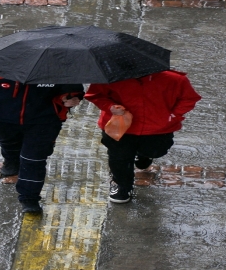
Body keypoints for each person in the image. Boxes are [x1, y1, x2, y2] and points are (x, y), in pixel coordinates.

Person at [0, 71, 84, 213]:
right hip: (3, 118)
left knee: (34, 159)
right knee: (9, 145)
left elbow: (74, 91)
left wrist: (70, 98)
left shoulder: (58, 67)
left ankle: (29, 198)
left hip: (44, 122)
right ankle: (11, 162)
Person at [84, 70, 201, 203]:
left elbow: (188, 98)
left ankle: (145, 155)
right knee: (119, 157)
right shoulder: (110, 77)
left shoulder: (174, 79)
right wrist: (110, 107)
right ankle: (122, 186)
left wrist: (172, 116)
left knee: (157, 150)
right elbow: (95, 95)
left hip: (157, 129)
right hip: (120, 127)